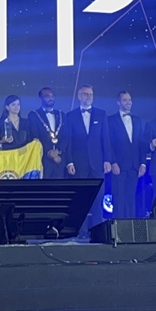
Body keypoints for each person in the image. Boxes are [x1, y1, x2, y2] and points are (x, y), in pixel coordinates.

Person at [61, 84, 110, 232]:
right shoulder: (70, 116)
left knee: (97, 198)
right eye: (85, 94)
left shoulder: (101, 114)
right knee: (80, 200)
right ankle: (80, 232)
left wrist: (107, 160)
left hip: (97, 164)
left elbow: (106, 139)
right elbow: (68, 141)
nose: (88, 97)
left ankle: (97, 231)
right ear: (79, 96)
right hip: (79, 164)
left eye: (90, 94)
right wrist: (69, 162)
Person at [106, 91, 148, 219]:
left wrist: (143, 163)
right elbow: (109, 143)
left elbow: (141, 143)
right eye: (125, 100)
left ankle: (130, 227)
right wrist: (113, 162)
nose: (128, 102)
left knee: (131, 198)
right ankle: (118, 227)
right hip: (118, 165)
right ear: (118, 102)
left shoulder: (137, 120)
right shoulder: (110, 120)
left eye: (129, 100)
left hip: (134, 166)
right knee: (118, 198)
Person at [27, 87, 66, 178]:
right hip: (43, 160)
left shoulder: (61, 115)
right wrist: (50, 153)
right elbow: (34, 136)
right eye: (47, 96)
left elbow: (66, 136)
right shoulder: (33, 115)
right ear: (40, 98)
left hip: (59, 160)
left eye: (52, 96)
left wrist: (58, 151)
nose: (50, 98)